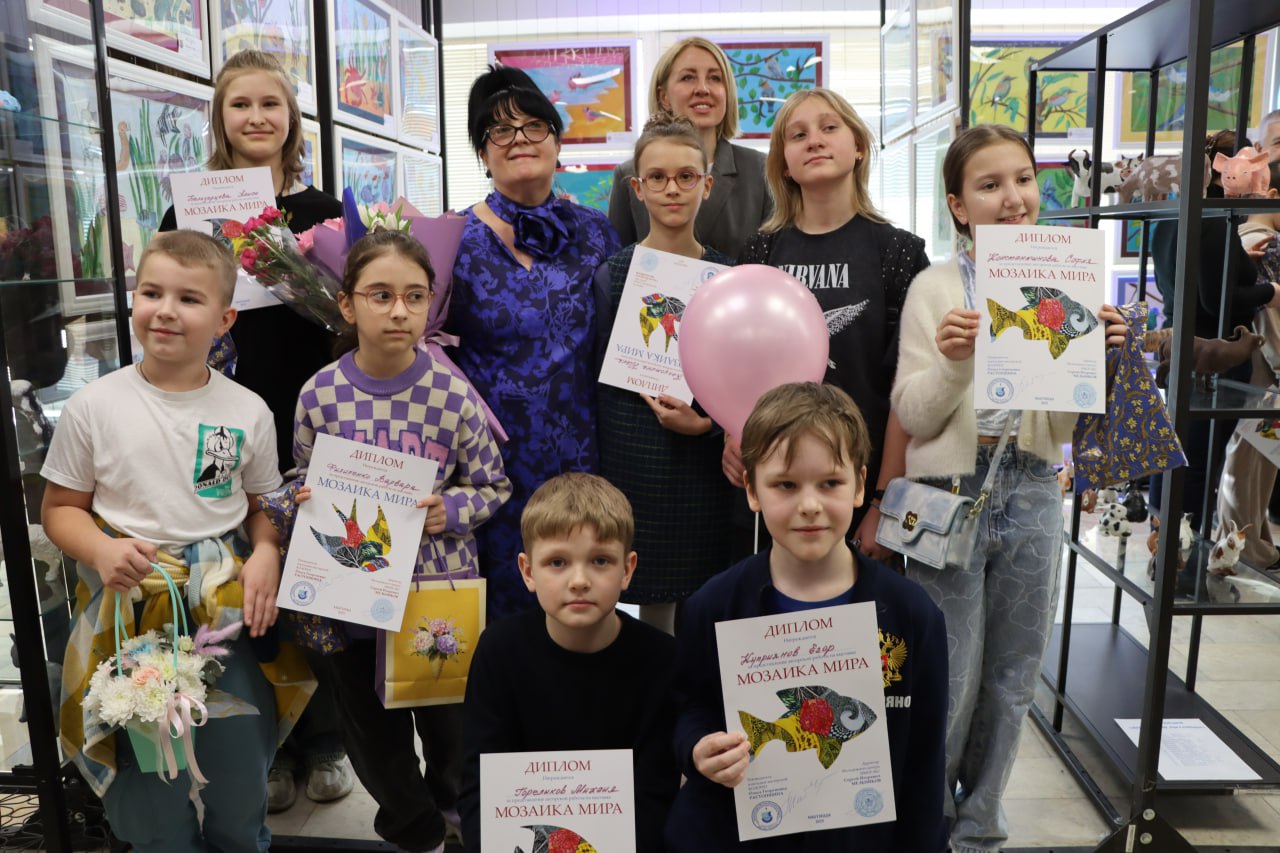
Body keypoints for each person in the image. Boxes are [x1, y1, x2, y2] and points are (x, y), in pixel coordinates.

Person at [890, 124, 1126, 853]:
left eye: (1023, 178)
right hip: (948, 491)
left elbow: (1067, 422)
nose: (1013, 197)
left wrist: (1102, 361)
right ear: (959, 206)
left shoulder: (1067, 280)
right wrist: (955, 361)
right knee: (950, 672)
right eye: (989, 185)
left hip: (1033, 486)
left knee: (1016, 671)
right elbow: (912, 413)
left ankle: (981, 826)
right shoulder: (932, 288)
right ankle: (929, 822)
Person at [42, 231, 307, 852]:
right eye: (151, 293)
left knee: (239, 769)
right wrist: (101, 550)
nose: (165, 310)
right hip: (126, 613)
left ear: (225, 319)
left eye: (189, 299)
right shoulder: (93, 406)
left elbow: (263, 505)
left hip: (224, 612)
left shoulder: (247, 410)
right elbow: (60, 509)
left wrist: (267, 550)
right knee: (146, 781)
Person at [158, 47, 351, 813]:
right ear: (220, 117)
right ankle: (267, 742)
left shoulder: (322, 210)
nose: (257, 117)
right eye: (240, 104)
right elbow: (167, 305)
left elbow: (350, 316)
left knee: (318, 575)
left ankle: (327, 737)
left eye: (271, 103)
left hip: (312, 421)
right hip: (220, 421)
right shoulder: (189, 208)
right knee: (236, 577)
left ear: (292, 118)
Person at [291, 230, 511, 853]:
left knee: (450, 732)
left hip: (436, 597)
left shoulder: (452, 394)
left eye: (415, 297)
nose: (398, 311)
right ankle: (415, 831)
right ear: (346, 304)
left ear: (430, 304)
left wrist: (451, 509)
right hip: (352, 600)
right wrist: (301, 499)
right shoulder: (319, 394)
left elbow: (494, 485)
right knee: (374, 740)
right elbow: (297, 477)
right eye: (381, 295)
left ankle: (455, 813)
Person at [667, 382, 948, 851]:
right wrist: (697, 748)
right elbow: (689, 708)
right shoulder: (712, 607)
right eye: (786, 485)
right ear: (752, 489)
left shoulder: (912, 615)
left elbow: (925, 758)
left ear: (860, 485)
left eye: (830, 483)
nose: (810, 504)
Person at [448, 65, 621, 620]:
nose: (519, 139)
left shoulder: (598, 232)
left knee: (580, 601)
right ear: (483, 153)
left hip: (583, 456)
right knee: (501, 613)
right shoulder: (450, 239)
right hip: (489, 466)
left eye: (534, 126)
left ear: (557, 140)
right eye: (500, 130)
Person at [729, 87, 930, 561]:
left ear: (858, 146)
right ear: (783, 164)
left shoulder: (899, 254)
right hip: (773, 492)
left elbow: (908, 393)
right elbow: (736, 364)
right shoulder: (759, 253)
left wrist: (883, 502)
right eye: (797, 135)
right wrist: (730, 432)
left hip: (860, 489)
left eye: (829, 127)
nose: (814, 140)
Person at [459, 472, 678, 853]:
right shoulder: (499, 650)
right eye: (558, 562)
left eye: (600, 561)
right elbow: (480, 784)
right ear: (528, 571)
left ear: (627, 569)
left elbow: (655, 793)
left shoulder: (662, 659)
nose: (579, 580)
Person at [596, 113, 735, 633]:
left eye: (685, 176)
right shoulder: (609, 276)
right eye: (657, 177)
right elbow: (595, 380)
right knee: (647, 618)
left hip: (701, 473)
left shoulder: (728, 278)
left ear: (707, 184)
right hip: (629, 464)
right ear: (637, 189)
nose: (672, 189)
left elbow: (742, 385)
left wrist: (709, 426)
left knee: (704, 611)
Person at [607, 37, 772, 259]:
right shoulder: (628, 174)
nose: (703, 88)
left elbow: (774, 262)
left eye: (715, 78)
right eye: (688, 77)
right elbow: (620, 264)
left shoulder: (760, 170)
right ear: (663, 97)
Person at [1215, 157, 1280, 572]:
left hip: (1254, 368)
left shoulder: (1236, 238)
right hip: (1265, 370)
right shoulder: (1267, 246)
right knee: (1249, 464)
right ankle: (1246, 549)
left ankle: (1254, 545)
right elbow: (1271, 320)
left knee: (1253, 462)